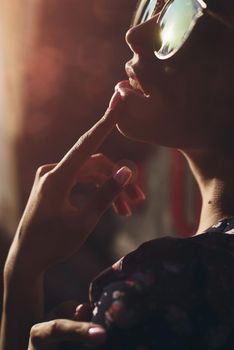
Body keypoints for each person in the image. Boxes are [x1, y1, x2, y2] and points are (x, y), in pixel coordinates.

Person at [1, 0, 234, 349]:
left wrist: (21, 277)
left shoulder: (157, 292)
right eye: (153, 5)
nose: (135, 35)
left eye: (182, 15)